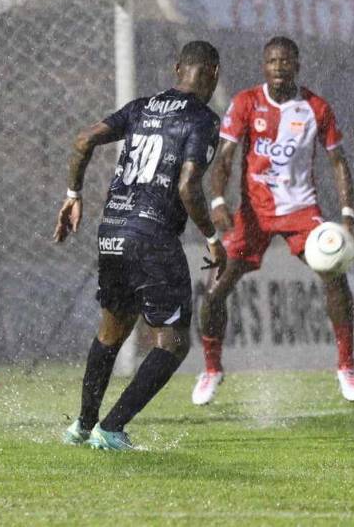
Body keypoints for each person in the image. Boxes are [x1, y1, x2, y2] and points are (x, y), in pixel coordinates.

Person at [54, 40, 224, 451]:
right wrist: (213, 237)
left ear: (177, 68)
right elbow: (187, 187)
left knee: (112, 329)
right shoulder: (202, 118)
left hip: (112, 228)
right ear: (214, 74)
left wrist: (73, 194)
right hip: (152, 235)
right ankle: (111, 428)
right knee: (174, 341)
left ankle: (83, 425)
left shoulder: (140, 108)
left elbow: (83, 140)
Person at [194, 36, 354, 405]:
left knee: (335, 276)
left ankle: (346, 367)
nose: (279, 67)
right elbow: (225, 158)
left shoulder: (316, 107)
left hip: (301, 210)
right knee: (214, 290)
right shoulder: (246, 102)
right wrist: (219, 199)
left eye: (285, 61)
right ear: (264, 66)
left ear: (297, 65)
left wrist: (347, 213)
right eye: (272, 61)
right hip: (252, 214)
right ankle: (211, 369)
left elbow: (338, 162)